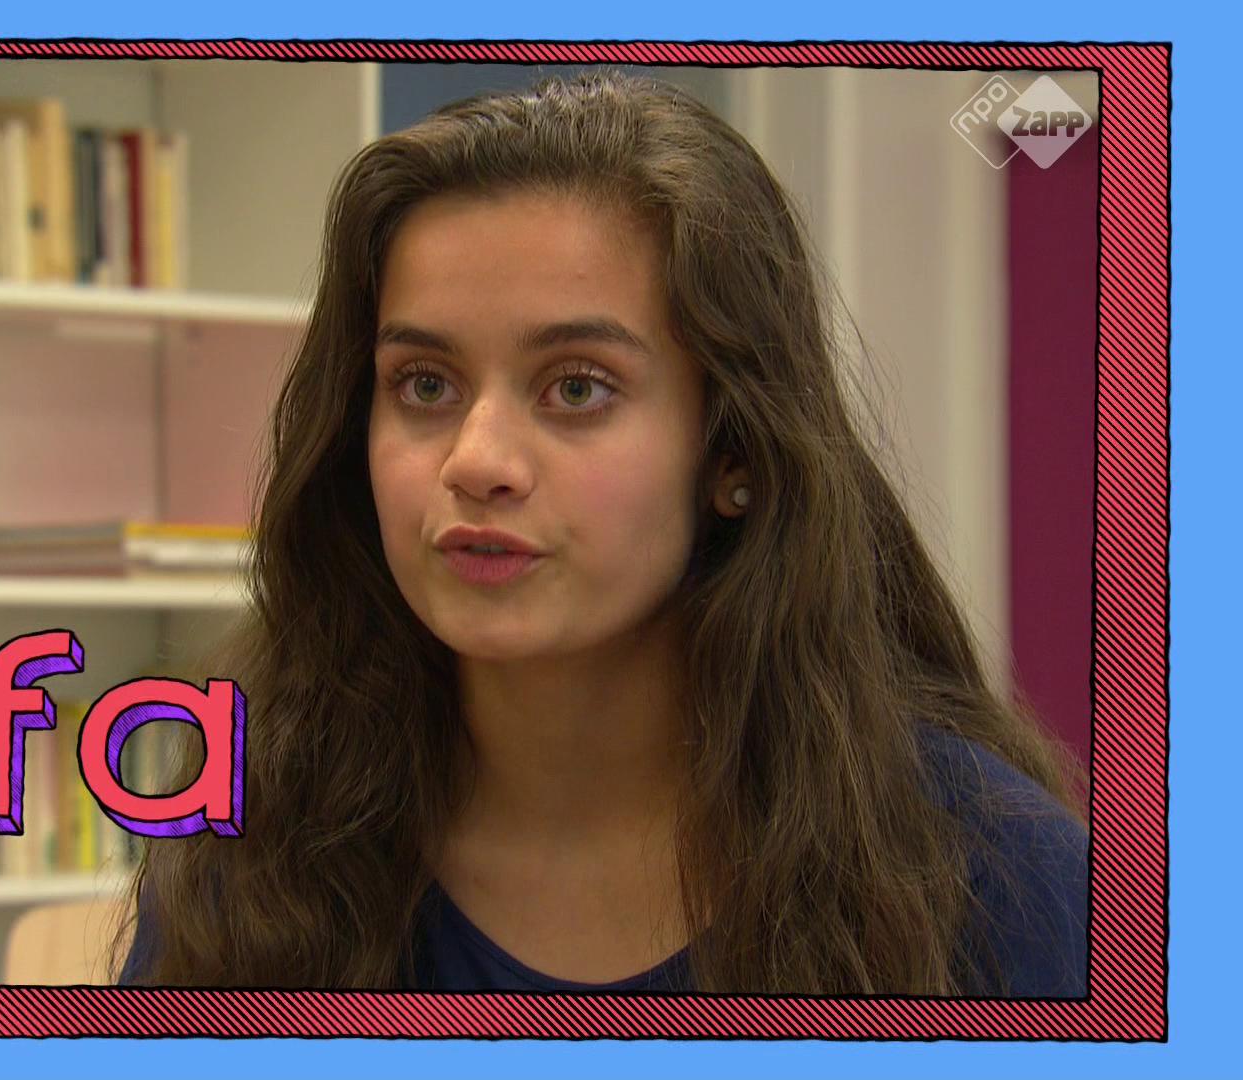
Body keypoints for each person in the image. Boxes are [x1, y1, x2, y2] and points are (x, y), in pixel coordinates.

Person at [111, 69, 1087, 997]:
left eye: (576, 387)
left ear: (733, 453)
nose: (476, 460)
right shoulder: (256, 836)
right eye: (425, 385)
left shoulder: (987, 873)